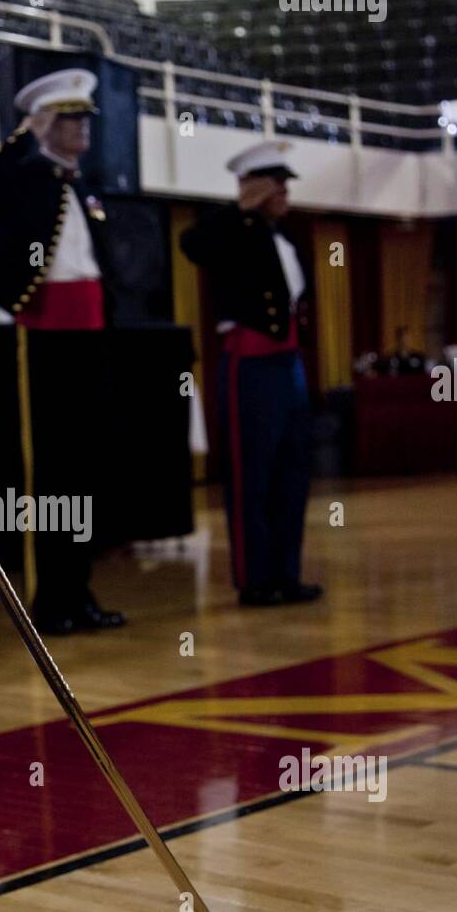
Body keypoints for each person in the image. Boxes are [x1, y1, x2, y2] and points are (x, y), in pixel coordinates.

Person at [0, 68, 125, 634]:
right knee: (48, 472)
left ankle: (78, 592)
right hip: (43, 331)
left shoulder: (80, 185)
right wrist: (26, 134)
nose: (82, 129)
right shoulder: (21, 179)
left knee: (83, 470)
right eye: (69, 118)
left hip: (89, 332)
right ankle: (50, 600)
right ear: (46, 123)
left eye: (84, 119)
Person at [181, 140, 322, 606]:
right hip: (251, 365)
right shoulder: (230, 232)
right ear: (256, 189)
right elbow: (193, 245)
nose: (286, 194)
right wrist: (238, 208)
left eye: (284, 185)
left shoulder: (286, 237)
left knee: (291, 474)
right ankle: (255, 579)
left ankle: (286, 572)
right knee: (252, 475)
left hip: (289, 365)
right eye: (278, 186)